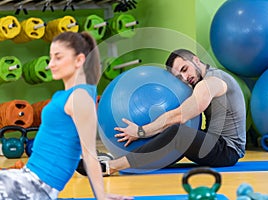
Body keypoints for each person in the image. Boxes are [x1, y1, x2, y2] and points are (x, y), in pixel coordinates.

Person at [0, 31, 132, 200]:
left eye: (58, 57)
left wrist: (101, 196)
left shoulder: (81, 97)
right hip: (26, 177)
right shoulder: (64, 95)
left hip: (36, 187)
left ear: (79, 60)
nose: (51, 64)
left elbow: (89, 154)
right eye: (50, 58)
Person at [98, 48, 246, 175]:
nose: (185, 78)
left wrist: (141, 131)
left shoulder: (212, 81)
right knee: (168, 127)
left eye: (184, 69)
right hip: (212, 143)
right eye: (179, 77)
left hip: (227, 151)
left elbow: (181, 115)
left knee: (177, 132)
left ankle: (111, 167)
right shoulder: (205, 81)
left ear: (195, 60)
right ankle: (120, 157)